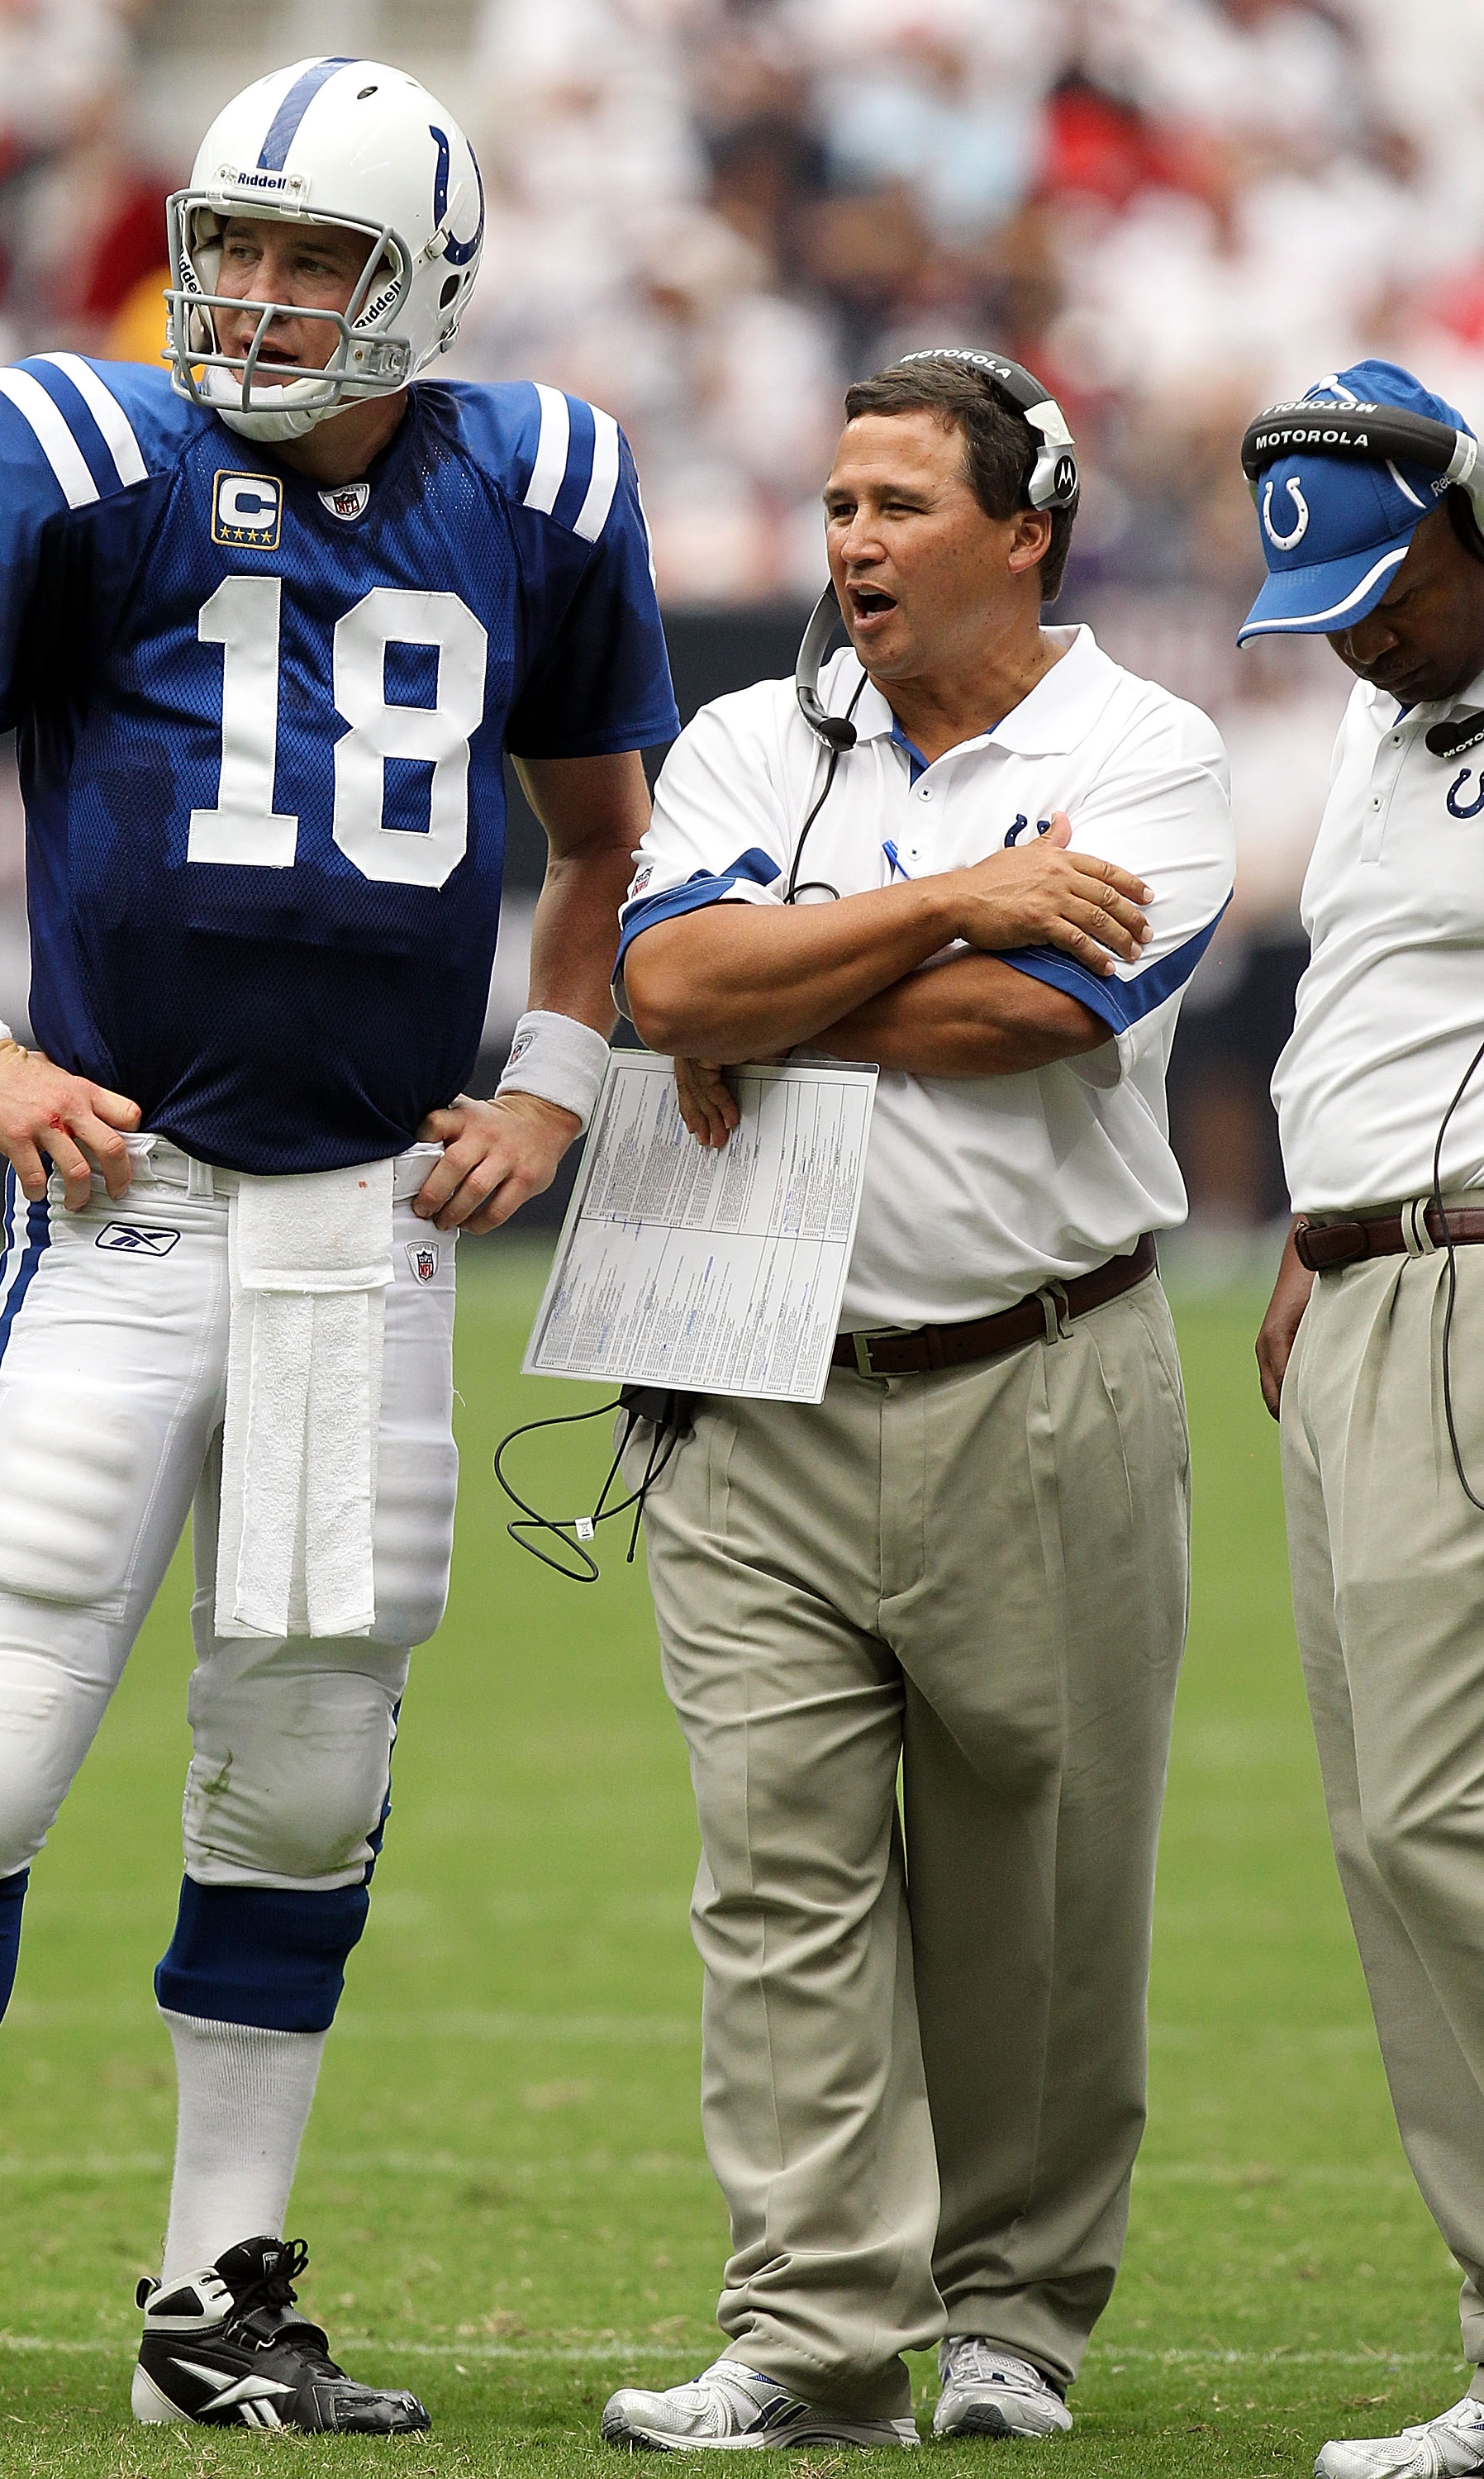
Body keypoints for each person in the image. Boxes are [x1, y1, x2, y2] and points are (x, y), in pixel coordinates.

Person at [0, 57, 677, 2449]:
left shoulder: (541, 486)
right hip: (125, 1210)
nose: (252, 297)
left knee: (300, 1780)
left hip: (364, 1231)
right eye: (230, 242)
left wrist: (553, 1081)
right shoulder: (74, 452)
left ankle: (211, 2301)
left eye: (314, 260)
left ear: (421, 290)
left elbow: (603, 830)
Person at [598, 351, 1234, 2452]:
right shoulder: (733, 735)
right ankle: (807, 2329)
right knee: (773, 1871)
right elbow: (660, 985)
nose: (851, 541)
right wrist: (953, 891)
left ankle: (1015, 2319)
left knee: (1034, 1879)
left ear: (1026, 525)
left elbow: (1028, 1026)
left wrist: (792, 970)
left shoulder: (1145, 745)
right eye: (838, 502)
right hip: (749, 1373)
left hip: (1036, 1364)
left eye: (898, 505)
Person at [1243, 359, 1484, 2479]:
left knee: (1441, 1816)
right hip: (1359, 1286)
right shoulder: (1375, 712)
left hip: (1479, 1285)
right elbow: (1366, 997)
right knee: (1376, 1833)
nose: (1350, 623)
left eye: (1382, 577)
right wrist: (1316, 1232)